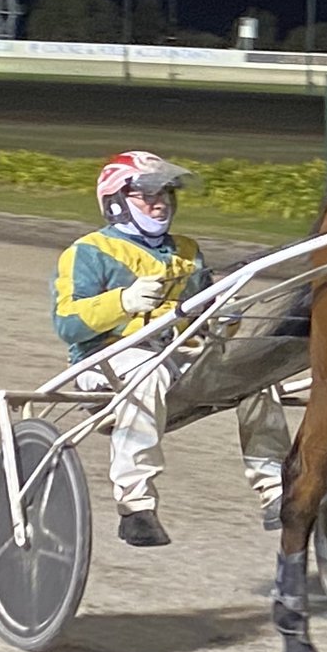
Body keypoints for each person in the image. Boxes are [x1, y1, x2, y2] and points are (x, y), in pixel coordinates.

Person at [51, 150, 293, 547]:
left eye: (166, 192)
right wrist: (124, 302)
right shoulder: (88, 252)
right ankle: (136, 506)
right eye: (146, 194)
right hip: (109, 363)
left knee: (256, 372)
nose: (159, 201)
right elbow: (67, 323)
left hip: (179, 356)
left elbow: (208, 316)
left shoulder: (187, 250)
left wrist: (222, 315)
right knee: (150, 371)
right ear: (115, 202)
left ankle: (276, 491)